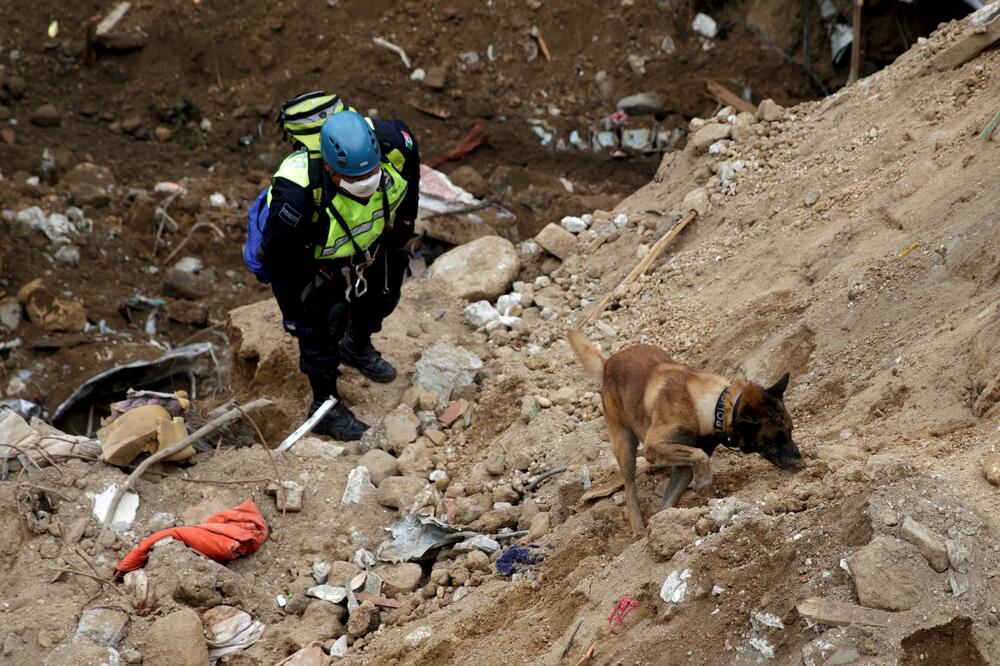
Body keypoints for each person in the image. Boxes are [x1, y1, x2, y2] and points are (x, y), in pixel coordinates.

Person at [256, 110, 420, 440]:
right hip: (312, 256)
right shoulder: (298, 193)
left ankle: (356, 346)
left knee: (384, 294)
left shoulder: (396, 146)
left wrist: (401, 233)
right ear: (330, 168)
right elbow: (278, 258)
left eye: (370, 174)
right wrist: (298, 315)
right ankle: (324, 407)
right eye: (353, 179)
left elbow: (410, 184)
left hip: (368, 238)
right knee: (322, 323)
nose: (364, 184)